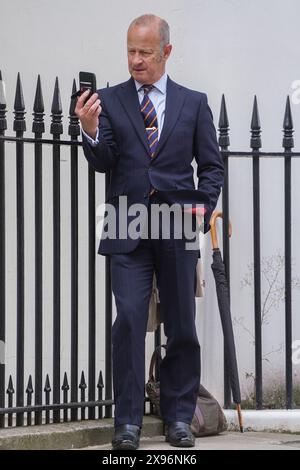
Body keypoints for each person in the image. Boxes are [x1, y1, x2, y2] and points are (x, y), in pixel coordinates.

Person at [75, 14, 224, 450]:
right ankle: (127, 423)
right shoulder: (109, 100)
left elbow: (211, 168)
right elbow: (104, 161)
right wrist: (89, 131)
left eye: (144, 52)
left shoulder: (193, 103)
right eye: (130, 51)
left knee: (181, 325)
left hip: (177, 226)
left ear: (166, 52)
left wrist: (199, 214)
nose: (135, 61)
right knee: (128, 321)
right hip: (126, 226)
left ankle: (179, 418)